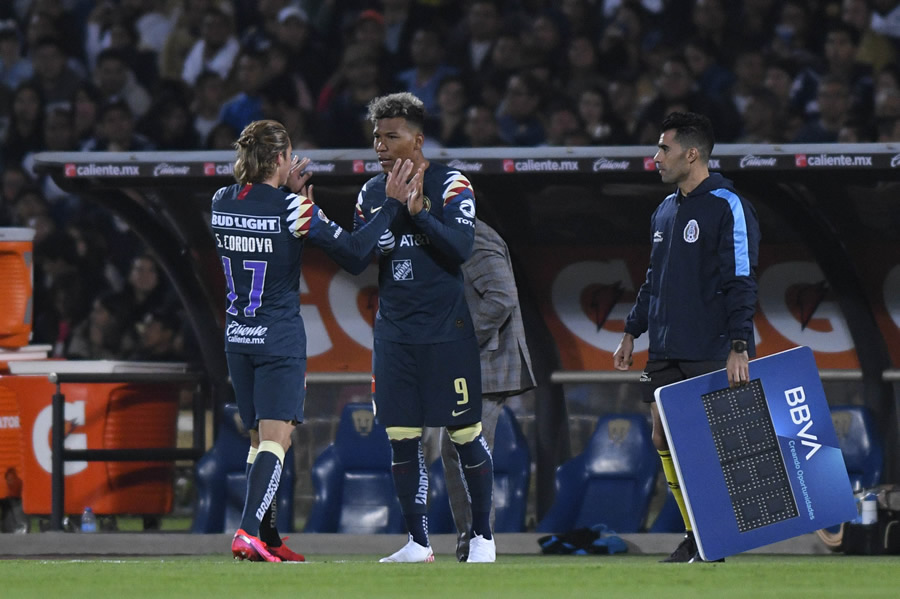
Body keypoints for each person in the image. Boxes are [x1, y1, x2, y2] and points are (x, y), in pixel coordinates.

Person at [215, 119, 418, 562]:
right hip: (277, 338)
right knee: (277, 438)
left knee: (260, 441)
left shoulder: (221, 201)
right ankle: (247, 532)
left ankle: (267, 537)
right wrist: (391, 205)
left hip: (237, 336)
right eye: (289, 156)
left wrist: (282, 192)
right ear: (281, 158)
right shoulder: (294, 209)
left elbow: (258, 219)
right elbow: (356, 254)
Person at [340, 92, 496, 563]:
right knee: (402, 439)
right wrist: (389, 210)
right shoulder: (371, 193)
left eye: (391, 136)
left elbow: (461, 248)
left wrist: (419, 212)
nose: (380, 146)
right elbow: (359, 255)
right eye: (376, 137)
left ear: (418, 139)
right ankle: (418, 543)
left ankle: (483, 537)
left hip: (447, 333)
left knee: (465, 434)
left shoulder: (451, 184)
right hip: (395, 336)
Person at [612, 111, 760, 564]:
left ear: (692, 154)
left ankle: (716, 535)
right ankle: (696, 535)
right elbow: (654, 279)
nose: (656, 157)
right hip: (666, 346)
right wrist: (631, 330)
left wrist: (739, 345)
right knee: (661, 437)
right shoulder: (665, 209)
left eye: (664, 148)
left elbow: (741, 279)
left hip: (712, 344)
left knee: (709, 444)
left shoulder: (728, 205)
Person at [438, 220, 535, 561]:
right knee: (455, 448)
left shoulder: (474, 236)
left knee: (467, 447)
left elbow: (502, 296)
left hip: (488, 361)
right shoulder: (456, 235)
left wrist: (463, 338)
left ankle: (479, 541)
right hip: (476, 363)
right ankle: (472, 543)